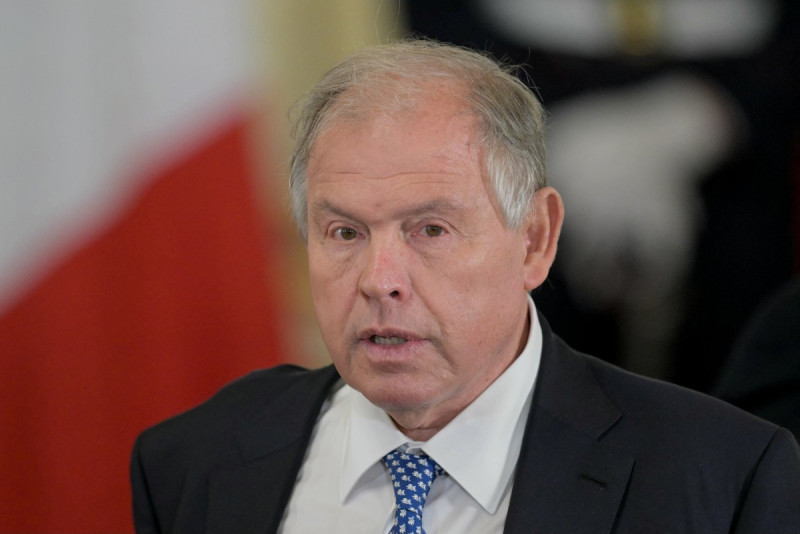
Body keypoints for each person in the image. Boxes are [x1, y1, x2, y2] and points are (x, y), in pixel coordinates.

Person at [130, 40, 800, 534]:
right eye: (344, 234)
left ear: (535, 237)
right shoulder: (193, 463)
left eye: (431, 230)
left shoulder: (722, 476)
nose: (379, 282)